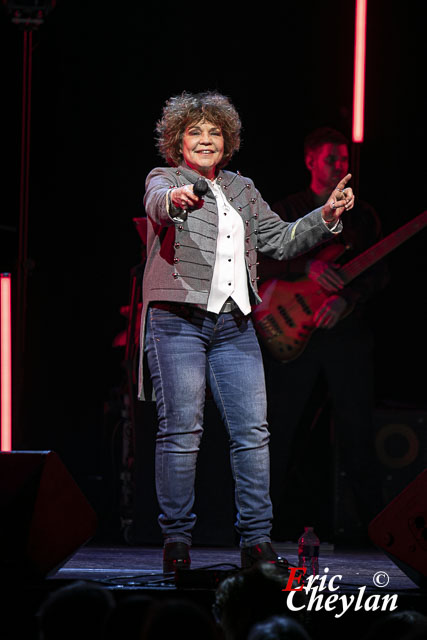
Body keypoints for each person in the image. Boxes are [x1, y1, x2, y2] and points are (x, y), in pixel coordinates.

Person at [138, 93, 354, 573]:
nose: (206, 140)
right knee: (182, 432)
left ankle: (256, 541)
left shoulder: (242, 188)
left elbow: (279, 239)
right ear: (177, 141)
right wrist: (175, 200)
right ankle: (176, 541)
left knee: (253, 433)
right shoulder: (166, 179)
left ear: (227, 141)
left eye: (214, 133)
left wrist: (327, 217)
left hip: (235, 323)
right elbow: (157, 205)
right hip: (178, 320)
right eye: (196, 132)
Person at [258, 127, 388, 543]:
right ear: (310, 161)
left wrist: (347, 299)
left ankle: (376, 531)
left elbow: (381, 272)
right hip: (292, 335)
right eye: (331, 159)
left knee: (357, 429)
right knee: (278, 429)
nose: (339, 166)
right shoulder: (287, 209)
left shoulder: (362, 215)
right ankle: (261, 530)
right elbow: (254, 262)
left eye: (344, 159)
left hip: (344, 333)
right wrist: (305, 268)